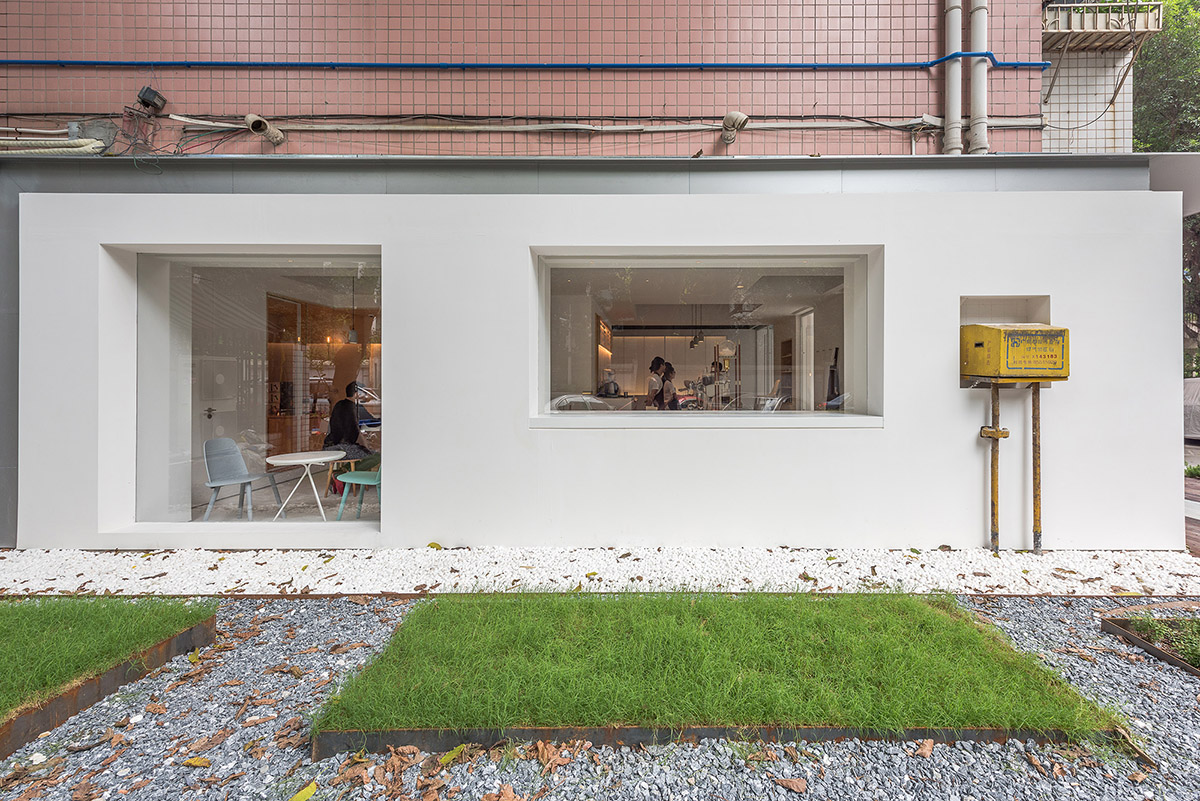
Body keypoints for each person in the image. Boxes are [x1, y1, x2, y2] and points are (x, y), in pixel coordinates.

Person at [324, 382, 380, 469]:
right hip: (343, 448)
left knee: (365, 451)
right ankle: (346, 471)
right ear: (357, 394)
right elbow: (357, 430)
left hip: (330, 445)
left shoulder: (339, 404)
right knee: (376, 456)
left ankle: (345, 471)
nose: (365, 396)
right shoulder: (353, 408)